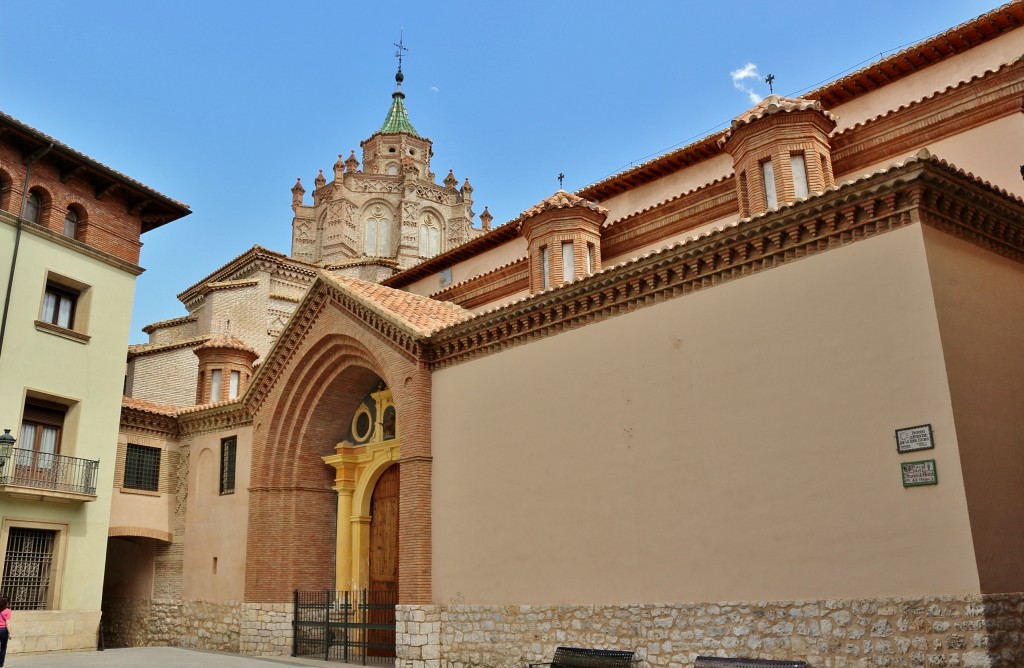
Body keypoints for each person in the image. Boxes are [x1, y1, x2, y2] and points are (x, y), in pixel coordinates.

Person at [0, 595, 10, 668]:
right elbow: (7, 623)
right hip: (3, 630)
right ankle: (1, 664)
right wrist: (10, 633)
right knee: (3, 648)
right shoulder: (8, 611)